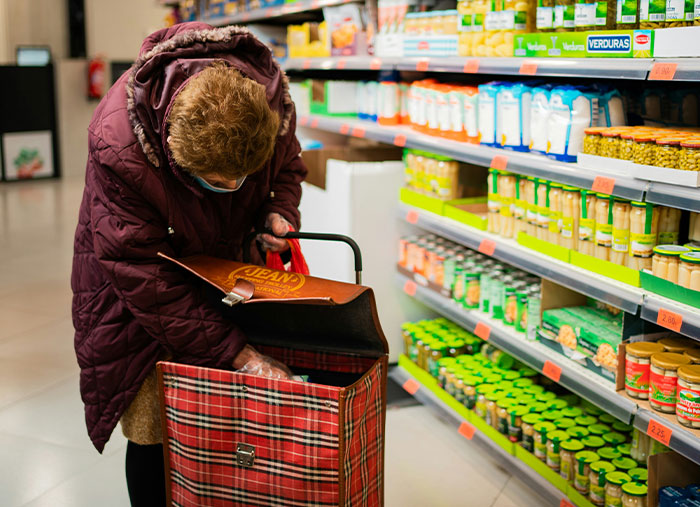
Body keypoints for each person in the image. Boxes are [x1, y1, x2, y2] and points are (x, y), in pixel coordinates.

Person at [71, 22, 306, 506]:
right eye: (219, 182)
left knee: (232, 423)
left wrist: (277, 210)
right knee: (153, 423)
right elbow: (140, 272)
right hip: (142, 298)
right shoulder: (121, 142)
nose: (234, 188)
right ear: (176, 160)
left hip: (229, 276)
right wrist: (239, 355)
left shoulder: (270, 106)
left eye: (243, 178)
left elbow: (287, 167)